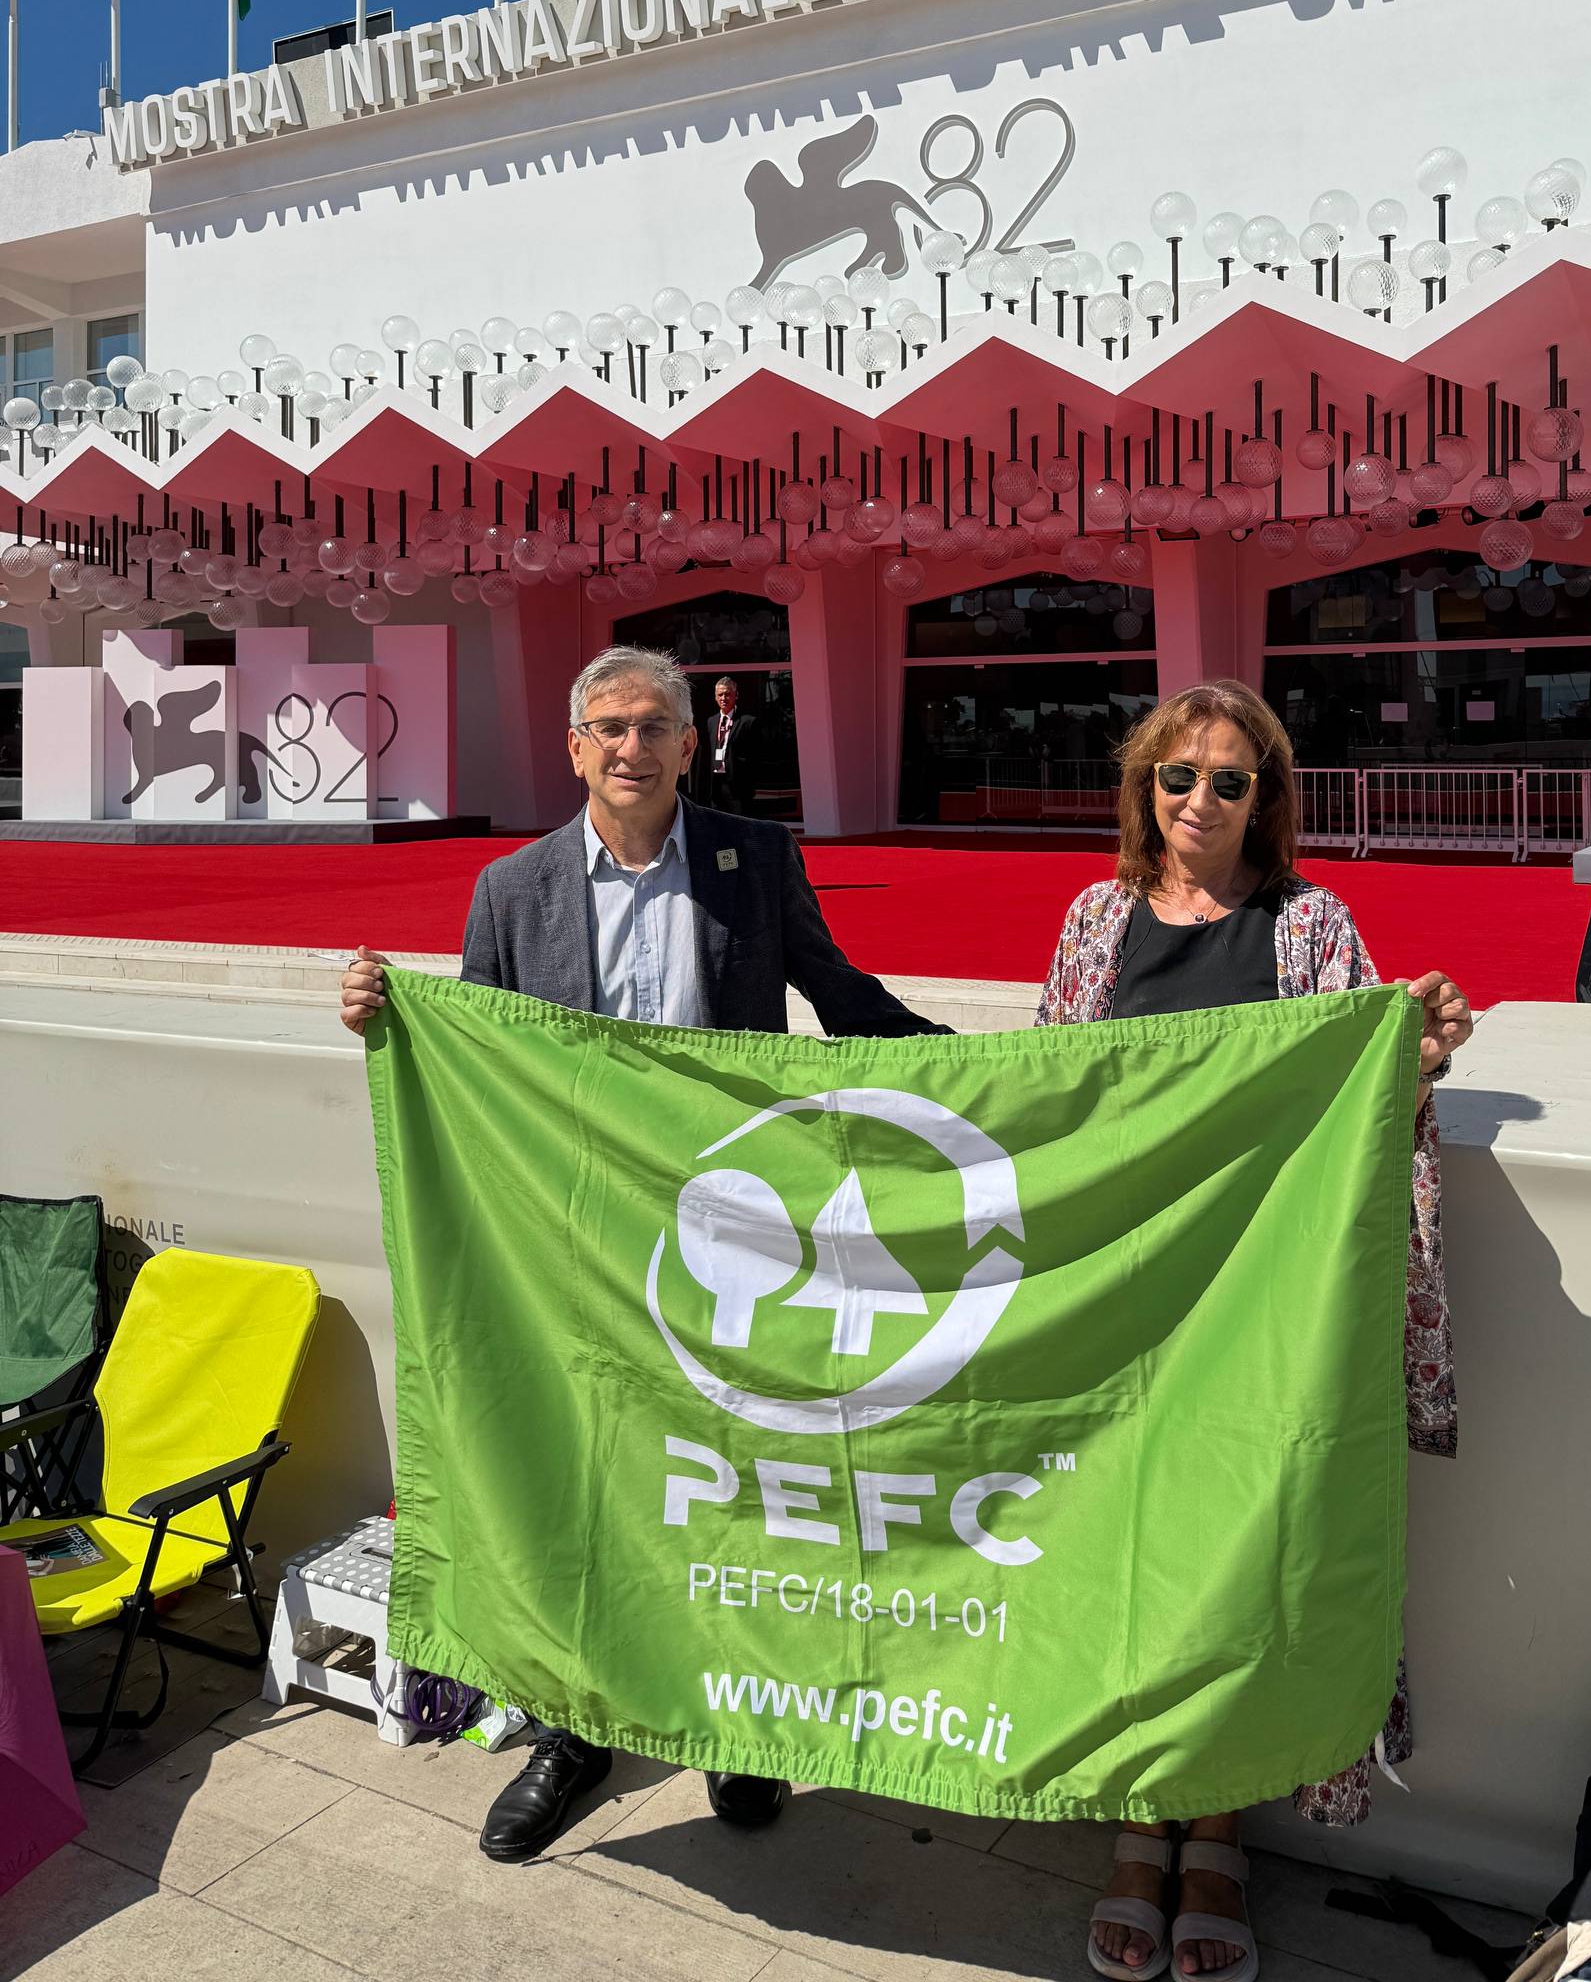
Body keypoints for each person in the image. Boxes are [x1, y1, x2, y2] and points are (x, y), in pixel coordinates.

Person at [340, 643, 946, 1865]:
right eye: (607, 726)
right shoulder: (510, 891)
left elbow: (840, 993)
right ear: (576, 748)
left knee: (730, 1485)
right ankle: (576, 1727)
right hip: (573, 1250)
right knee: (587, 1490)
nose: (630, 746)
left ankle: (741, 1721)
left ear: (688, 742)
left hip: (736, 1249)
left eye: (652, 725)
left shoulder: (754, 861)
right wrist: (387, 1016)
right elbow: (481, 1066)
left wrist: (998, 1076)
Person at [1033, 679, 1472, 1982]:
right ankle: (1132, 1825)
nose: (1201, 802)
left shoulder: (1314, 927)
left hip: (1256, 1305)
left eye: (1232, 782)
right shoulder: (1094, 921)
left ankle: (1215, 1830)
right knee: (1122, 1561)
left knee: (1233, 1565)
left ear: (1268, 799)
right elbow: (1047, 1101)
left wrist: (1422, 1056)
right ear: (1143, 790)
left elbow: (1358, 1095)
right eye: (1179, 778)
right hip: (1122, 1304)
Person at [702, 675, 759, 815]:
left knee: (739, 826)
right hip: (716, 785)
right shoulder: (711, 721)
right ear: (715, 697)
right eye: (720, 695)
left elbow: (755, 756)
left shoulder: (748, 722)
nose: (723, 698)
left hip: (737, 787)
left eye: (728, 694)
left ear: (736, 695)